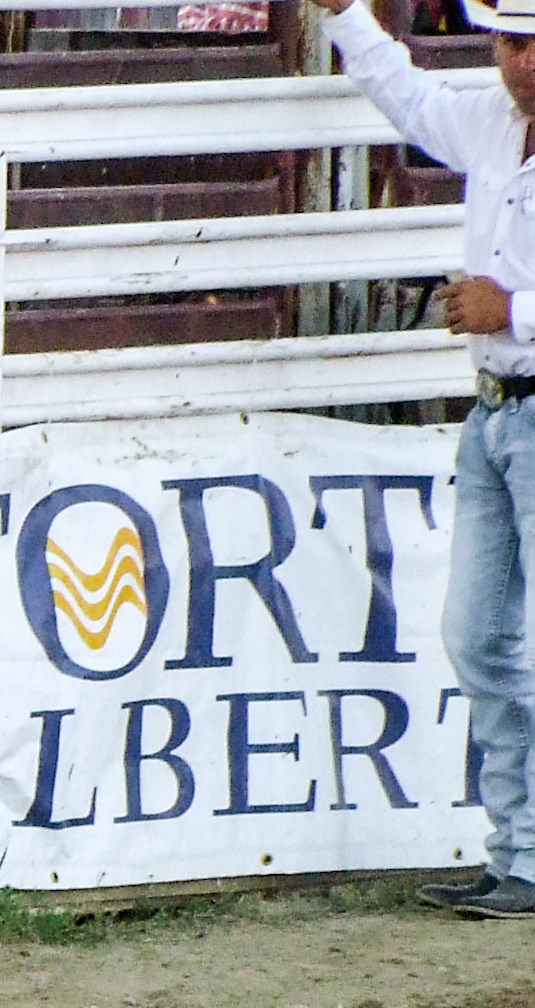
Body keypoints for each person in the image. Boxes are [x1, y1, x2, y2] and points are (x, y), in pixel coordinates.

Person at [317, 0, 535, 917]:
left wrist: (512, 311)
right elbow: (409, 99)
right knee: (476, 637)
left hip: (510, 398)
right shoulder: (493, 121)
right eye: (511, 43)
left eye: (532, 45)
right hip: (497, 409)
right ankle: (521, 856)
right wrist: (347, 17)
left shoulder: (496, 122)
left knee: (493, 636)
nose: (521, 62)